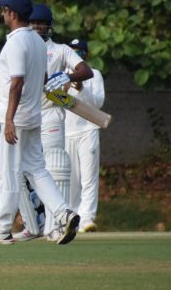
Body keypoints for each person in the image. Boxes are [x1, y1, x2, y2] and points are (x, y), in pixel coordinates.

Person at [0, 0, 79, 245]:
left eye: (4, 10)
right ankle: (64, 213)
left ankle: (1, 229)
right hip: (33, 118)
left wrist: (8, 120)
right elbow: (41, 80)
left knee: (8, 174)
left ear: (13, 14)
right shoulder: (38, 43)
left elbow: (17, 83)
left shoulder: (16, 43)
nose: (2, 13)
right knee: (37, 171)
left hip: (14, 120)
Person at [13, 4, 93, 242]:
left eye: (42, 23)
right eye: (34, 22)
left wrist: (65, 76)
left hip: (51, 116)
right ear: (27, 23)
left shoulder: (60, 50)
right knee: (16, 171)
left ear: (49, 26)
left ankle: (56, 226)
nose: (37, 26)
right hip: (25, 116)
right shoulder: (22, 46)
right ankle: (32, 225)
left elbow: (85, 70)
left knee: (54, 167)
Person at [64, 39, 105, 233]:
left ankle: (87, 218)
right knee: (70, 178)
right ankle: (72, 218)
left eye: (79, 52)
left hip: (88, 130)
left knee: (89, 176)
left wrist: (81, 88)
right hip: (66, 131)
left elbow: (98, 103)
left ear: (85, 55)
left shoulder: (94, 75)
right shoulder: (61, 76)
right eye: (73, 52)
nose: (76, 55)